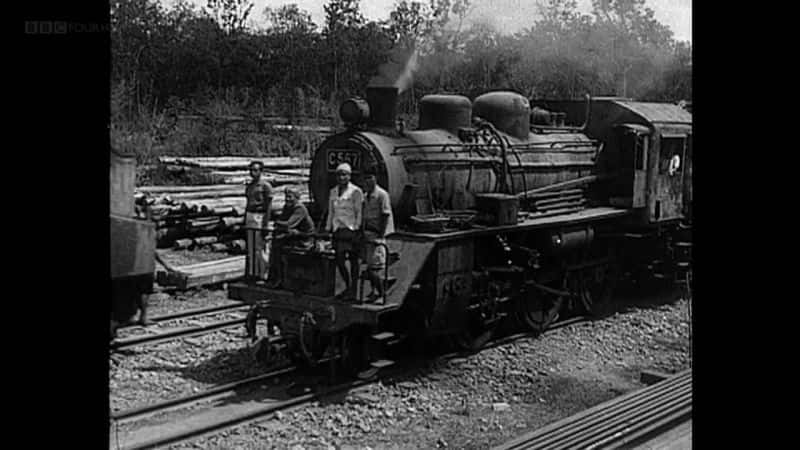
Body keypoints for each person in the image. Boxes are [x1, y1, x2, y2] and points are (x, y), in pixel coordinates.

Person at [325, 163, 363, 300]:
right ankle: (347, 285)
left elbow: (359, 212)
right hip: (338, 229)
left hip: (350, 229)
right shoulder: (333, 191)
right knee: (339, 259)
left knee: (353, 260)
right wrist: (328, 228)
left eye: (345, 174)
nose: (342, 177)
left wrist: (357, 229)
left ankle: (353, 289)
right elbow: (331, 211)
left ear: (349, 176)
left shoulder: (356, 191)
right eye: (340, 175)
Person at [266, 187, 315, 288]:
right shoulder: (287, 207)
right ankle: (276, 276)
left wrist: (276, 222)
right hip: (294, 235)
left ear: (296, 197)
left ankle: (279, 277)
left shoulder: (299, 208)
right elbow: (283, 220)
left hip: (304, 238)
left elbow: (289, 224)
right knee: (276, 242)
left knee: (278, 245)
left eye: (290, 197)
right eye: (286, 197)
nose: (287, 199)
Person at [361, 169, 395, 303]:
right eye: (365, 179)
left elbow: (386, 214)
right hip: (367, 233)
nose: (367, 181)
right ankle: (374, 291)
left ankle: (381, 292)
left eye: (370, 178)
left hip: (377, 234)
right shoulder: (365, 196)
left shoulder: (382, 195)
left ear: (375, 179)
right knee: (370, 265)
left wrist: (381, 235)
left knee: (374, 268)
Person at [244, 161, 273, 283]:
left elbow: (269, 205)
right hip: (250, 215)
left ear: (261, 171)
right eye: (251, 170)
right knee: (251, 247)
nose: (252, 173)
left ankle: (264, 274)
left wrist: (266, 222)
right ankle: (253, 273)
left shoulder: (265, 186)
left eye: (255, 170)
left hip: (260, 216)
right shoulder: (249, 186)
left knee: (261, 247)